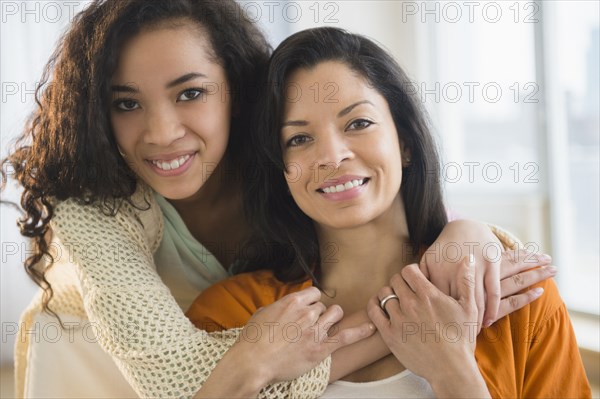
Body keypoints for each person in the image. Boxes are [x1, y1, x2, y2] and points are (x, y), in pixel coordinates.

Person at [1, 1, 554, 397]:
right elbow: (178, 381)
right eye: (126, 103)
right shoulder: (97, 209)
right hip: (96, 366)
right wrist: (413, 326)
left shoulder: (268, 164)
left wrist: (469, 236)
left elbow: (372, 196)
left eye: (189, 92)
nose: (163, 131)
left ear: (238, 96)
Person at [188, 27, 591, 398]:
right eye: (299, 138)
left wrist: (455, 375)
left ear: (405, 143)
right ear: (281, 169)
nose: (331, 155)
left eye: (358, 122)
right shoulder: (230, 317)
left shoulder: (513, 297)